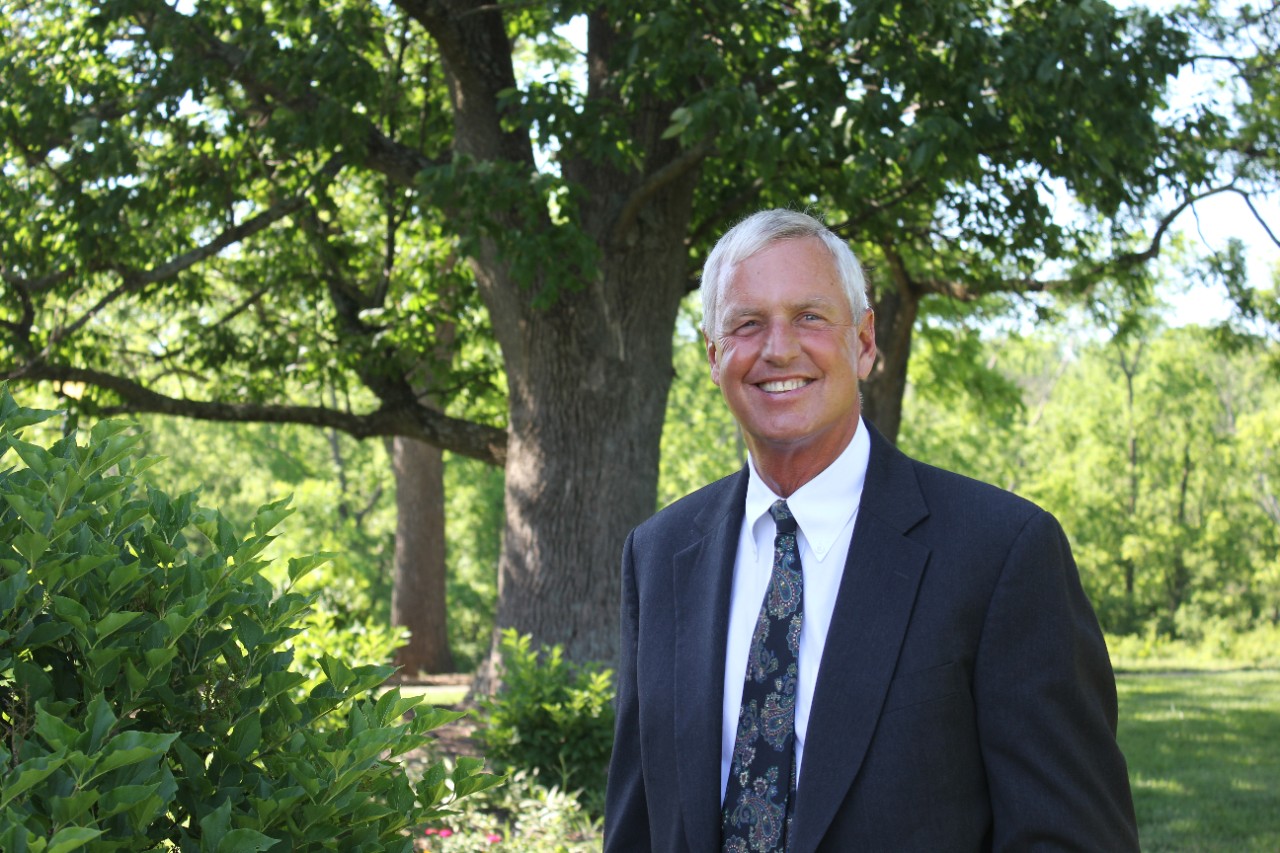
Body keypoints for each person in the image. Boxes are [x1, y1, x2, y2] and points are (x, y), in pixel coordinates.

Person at [603, 209, 1139, 852]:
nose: (779, 348)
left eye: (810, 317)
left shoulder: (1002, 554)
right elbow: (636, 825)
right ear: (715, 357)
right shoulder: (659, 555)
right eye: (747, 324)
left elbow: (1071, 836)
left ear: (863, 342)